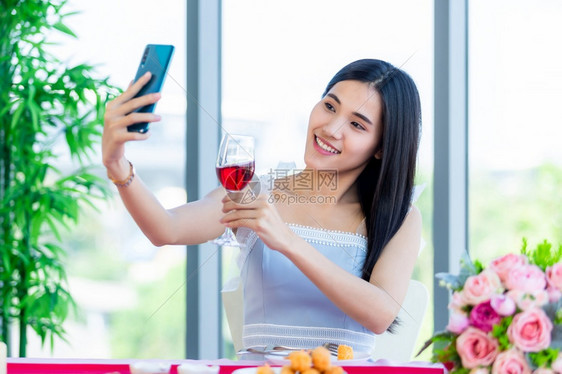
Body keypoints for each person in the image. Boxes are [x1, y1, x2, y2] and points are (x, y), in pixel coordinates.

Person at [102, 59, 422, 354]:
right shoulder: (254, 193)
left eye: (357, 125)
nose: (331, 129)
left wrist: (288, 240)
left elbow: (381, 314)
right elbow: (165, 228)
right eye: (329, 106)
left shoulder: (399, 216)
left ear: (381, 147)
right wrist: (117, 163)